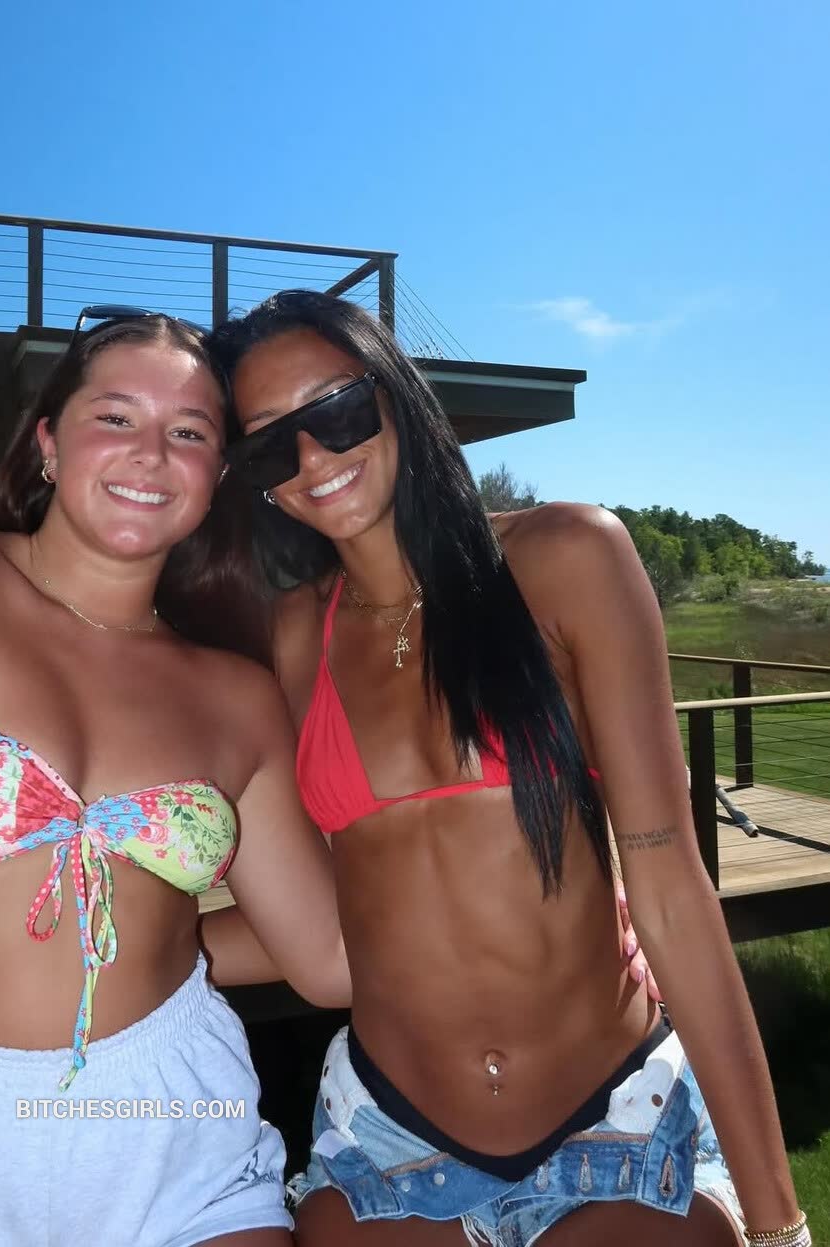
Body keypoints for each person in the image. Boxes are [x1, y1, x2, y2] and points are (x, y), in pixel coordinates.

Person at [208, 290, 809, 1247]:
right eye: (272, 445)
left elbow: (670, 886)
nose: (314, 458)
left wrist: (779, 1222)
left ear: (395, 394)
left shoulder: (567, 558)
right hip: (388, 1142)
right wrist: (126, 940)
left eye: (337, 410)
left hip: (616, 1118)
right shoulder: (293, 634)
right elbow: (329, 920)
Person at [0, 307, 353, 1247]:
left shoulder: (235, 693)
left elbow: (328, 956)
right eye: (116, 417)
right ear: (47, 441)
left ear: (218, 477)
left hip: (176, 1124)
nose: (151, 453)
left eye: (189, 432)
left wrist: (566, 900)